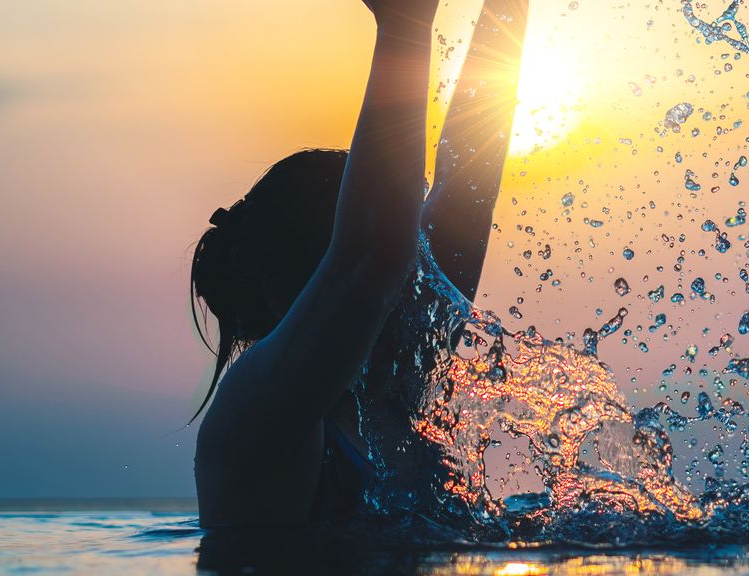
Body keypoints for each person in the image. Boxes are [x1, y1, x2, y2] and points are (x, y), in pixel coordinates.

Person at [187, 0, 528, 548]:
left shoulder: (390, 386)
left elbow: (466, 187)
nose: (421, 272)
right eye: (406, 242)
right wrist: (406, 25)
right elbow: (369, 260)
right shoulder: (255, 407)